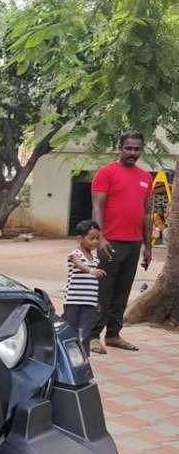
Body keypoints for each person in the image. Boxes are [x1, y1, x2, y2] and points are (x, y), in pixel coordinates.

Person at [88, 130, 153, 353]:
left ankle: (114, 334)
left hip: (134, 244)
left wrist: (148, 246)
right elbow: (97, 206)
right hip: (111, 242)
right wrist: (100, 238)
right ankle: (93, 335)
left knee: (122, 291)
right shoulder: (106, 173)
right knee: (103, 290)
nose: (132, 153)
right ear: (120, 148)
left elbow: (146, 213)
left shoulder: (146, 177)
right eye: (129, 148)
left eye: (137, 149)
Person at [63, 220, 106, 355]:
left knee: (85, 331)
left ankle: (83, 357)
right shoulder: (75, 255)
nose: (95, 242)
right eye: (91, 238)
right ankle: (69, 356)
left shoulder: (95, 259)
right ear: (80, 239)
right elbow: (80, 265)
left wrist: (96, 300)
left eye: (97, 238)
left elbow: (93, 284)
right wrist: (92, 271)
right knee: (71, 329)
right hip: (73, 301)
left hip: (89, 302)